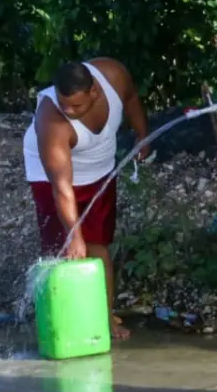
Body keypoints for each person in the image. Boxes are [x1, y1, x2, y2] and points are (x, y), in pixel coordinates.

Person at [23, 58, 150, 341]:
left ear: (94, 92)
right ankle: (61, 320)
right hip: (52, 176)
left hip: (99, 165)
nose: (68, 111)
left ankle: (105, 317)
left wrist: (143, 135)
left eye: (76, 106)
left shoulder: (114, 76)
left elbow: (130, 100)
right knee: (64, 250)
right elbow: (61, 186)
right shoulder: (52, 121)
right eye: (62, 103)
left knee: (98, 246)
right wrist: (73, 233)